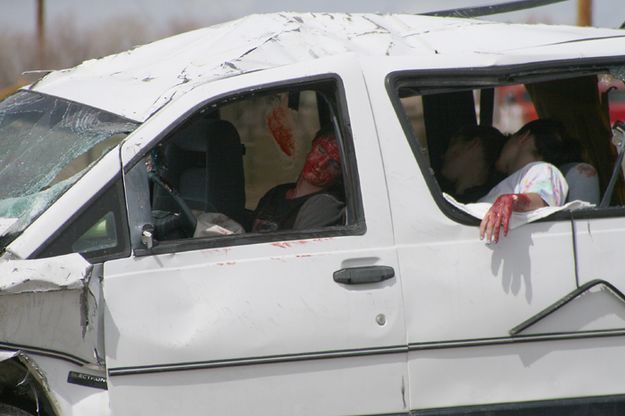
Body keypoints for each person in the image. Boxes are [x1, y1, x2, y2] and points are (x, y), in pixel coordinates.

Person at [478, 119, 575, 243]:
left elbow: (541, 199)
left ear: (524, 136)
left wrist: (512, 201)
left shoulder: (542, 169)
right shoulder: (515, 178)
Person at [251, 130, 344, 232]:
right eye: (321, 151)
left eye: (334, 165)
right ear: (312, 146)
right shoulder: (276, 193)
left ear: (340, 175)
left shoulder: (325, 206)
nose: (321, 164)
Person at [439, 125, 506, 203]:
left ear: (473, 144)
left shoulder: (479, 205)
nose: (443, 156)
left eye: (452, 144)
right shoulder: (489, 200)